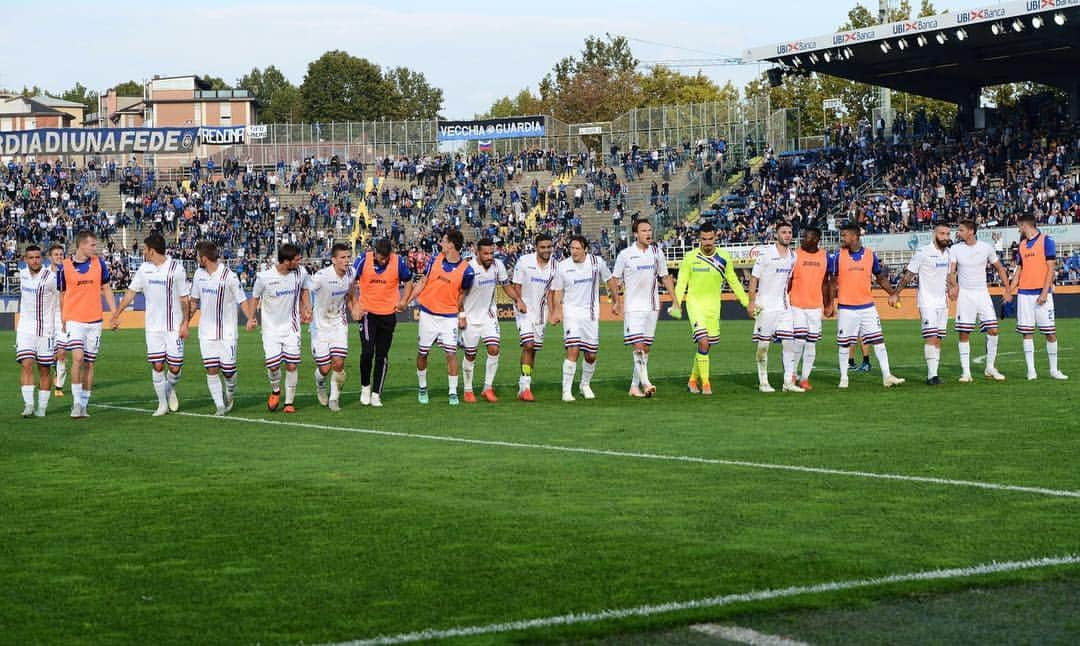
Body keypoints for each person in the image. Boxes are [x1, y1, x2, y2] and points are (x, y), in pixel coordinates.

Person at [111, 234, 191, 416]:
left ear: (152, 251)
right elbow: (131, 293)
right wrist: (116, 314)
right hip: (153, 328)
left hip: (173, 327)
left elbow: (184, 299)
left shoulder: (176, 269)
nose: (143, 252)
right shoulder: (144, 269)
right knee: (157, 366)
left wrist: (185, 323)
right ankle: (162, 404)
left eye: (145, 249)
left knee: (175, 367)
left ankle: (169, 390)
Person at [671, 222, 749, 395]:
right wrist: (676, 304)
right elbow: (682, 282)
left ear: (716, 238)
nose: (707, 242)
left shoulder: (723, 257)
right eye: (704, 239)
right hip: (694, 304)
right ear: (699, 238)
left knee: (705, 347)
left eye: (710, 239)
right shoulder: (690, 257)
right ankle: (706, 384)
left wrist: (746, 302)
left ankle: (692, 380)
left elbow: (733, 281)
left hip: (713, 307)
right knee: (703, 341)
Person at [827, 222, 905, 389]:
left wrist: (892, 292)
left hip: (867, 307)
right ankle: (843, 378)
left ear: (855, 237)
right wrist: (829, 304)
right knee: (844, 343)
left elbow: (880, 277)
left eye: (845, 235)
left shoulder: (870, 255)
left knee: (878, 341)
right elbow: (832, 283)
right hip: (847, 307)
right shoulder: (838, 256)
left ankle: (887, 376)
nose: (842, 238)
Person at [549, 235, 619, 402]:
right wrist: (556, 311)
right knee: (572, 350)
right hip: (571, 313)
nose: (574, 251)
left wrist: (616, 301)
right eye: (572, 248)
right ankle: (566, 391)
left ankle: (584, 385)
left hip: (591, 314)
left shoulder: (597, 263)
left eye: (577, 248)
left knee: (591, 355)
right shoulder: (563, 266)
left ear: (585, 249)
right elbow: (557, 291)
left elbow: (609, 280)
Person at [188, 241, 254, 415]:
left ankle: (230, 394)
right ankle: (219, 406)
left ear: (203, 258)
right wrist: (184, 323)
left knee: (229, 372)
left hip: (228, 332)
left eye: (197, 256)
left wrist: (250, 318)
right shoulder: (198, 275)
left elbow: (242, 300)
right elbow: (194, 302)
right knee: (211, 369)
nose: (196, 259)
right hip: (206, 333)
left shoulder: (229, 276)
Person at [612, 219, 676, 398]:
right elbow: (615, 280)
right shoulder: (625, 255)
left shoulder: (657, 252)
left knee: (645, 349)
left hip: (652, 307)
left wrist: (675, 300)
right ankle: (646, 382)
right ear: (635, 234)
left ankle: (634, 386)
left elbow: (665, 277)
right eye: (644, 231)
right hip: (633, 308)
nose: (648, 234)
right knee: (638, 347)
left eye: (650, 230)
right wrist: (616, 301)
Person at [410, 230, 475, 405]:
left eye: (444, 241)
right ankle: (422, 387)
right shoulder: (434, 259)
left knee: (451, 353)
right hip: (428, 314)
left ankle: (452, 392)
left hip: (448, 317)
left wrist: (460, 314)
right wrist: (407, 300)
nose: (441, 243)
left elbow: (462, 294)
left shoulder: (467, 271)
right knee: (423, 353)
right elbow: (422, 282)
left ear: (451, 245)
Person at [247, 244, 312, 413]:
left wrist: (307, 308)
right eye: (297, 259)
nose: (300, 262)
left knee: (291, 365)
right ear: (286, 261)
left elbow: (305, 290)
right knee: (273, 366)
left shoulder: (301, 273)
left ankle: (289, 403)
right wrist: (251, 317)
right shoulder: (264, 277)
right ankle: (276, 390)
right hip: (270, 329)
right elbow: (254, 297)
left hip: (292, 327)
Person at [352, 238, 415, 408]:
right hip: (368, 314)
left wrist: (404, 301)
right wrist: (355, 304)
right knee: (367, 352)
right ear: (375, 253)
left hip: (388, 314)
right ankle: (365, 387)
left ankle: (376, 393)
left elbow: (409, 281)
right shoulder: (363, 259)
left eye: (387, 257)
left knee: (382, 355)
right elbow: (350, 280)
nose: (384, 261)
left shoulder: (397, 261)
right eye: (381, 257)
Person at [57, 230, 114, 419]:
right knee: (78, 359)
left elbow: (106, 288)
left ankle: (84, 405)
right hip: (75, 319)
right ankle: (75, 403)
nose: (94, 248)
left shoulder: (99, 263)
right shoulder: (64, 267)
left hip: (95, 321)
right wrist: (63, 318)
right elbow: (62, 294)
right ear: (81, 245)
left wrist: (114, 313)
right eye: (92, 245)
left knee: (89, 363)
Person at [947, 219, 1011, 383]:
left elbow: (1000, 268)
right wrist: (953, 286)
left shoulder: (986, 248)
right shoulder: (955, 249)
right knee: (964, 333)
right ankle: (966, 372)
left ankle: (990, 367)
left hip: (982, 294)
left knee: (994, 330)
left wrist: (1008, 289)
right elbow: (951, 272)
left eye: (961, 230)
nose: (958, 232)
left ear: (971, 231)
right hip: (965, 295)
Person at [460, 238, 524, 403]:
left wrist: (518, 300)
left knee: (494, 349)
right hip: (470, 317)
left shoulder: (498, 266)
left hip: (489, 315)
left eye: (491, 253)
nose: (489, 257)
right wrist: (460, 315)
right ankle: (468, 390)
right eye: (486, 253)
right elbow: (458, 294)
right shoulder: (468, 268)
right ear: (477, 253)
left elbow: (506, 286)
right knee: (470, 355)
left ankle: (487, 387)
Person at [890, 222, 953, 385]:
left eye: (947, 234)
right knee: (931, 337)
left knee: (938, 339)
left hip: (943, 303)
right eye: (942, 234)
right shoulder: (923, 252)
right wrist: (896, 293)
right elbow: (908, 275)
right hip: (927, 302)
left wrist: (954, 286)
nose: (945, 237)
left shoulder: (948, 254)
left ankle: (935, 373)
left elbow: (949, 277)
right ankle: (932, 376)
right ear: (934, 234)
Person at [748, 221, 803, 393]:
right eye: (784, 232)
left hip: (784, 306)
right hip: (765, 306)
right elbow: (754, 279)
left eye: (789, 232)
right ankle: (763, 381)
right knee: (763, 345)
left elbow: (789, 281)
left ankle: (788, 381)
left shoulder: (793, 256)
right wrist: (751, 302)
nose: (787, 235)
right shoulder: (765, 254)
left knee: (789, 343)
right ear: (776, 234)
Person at [1012, 213, 1068, 380]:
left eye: (1019, 225)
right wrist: (1009, 289)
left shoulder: (1047, 241)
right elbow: (1019, 271)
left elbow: (1051, 269)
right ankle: (1031, 371)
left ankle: (1054, 370)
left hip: (1042, 293)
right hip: (1024, 294)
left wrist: (1045, 292)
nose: (1018, 229)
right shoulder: (1021, 245)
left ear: (1024, 225)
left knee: (1050, 332)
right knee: (1027, 332)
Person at [310, 243, 356, 412]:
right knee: (324, 368)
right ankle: (320, 383)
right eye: (343, 258)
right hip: (320, 326)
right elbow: (306, 290)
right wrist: (305, 309)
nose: (346, 261)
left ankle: (334, 399)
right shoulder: (321, 276)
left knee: (338, 363)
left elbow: (351, 290)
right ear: (334, 260)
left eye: (348, 257)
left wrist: (354, 307)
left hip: (338, 323)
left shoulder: (351, 273)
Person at [511, 233, 556, 401]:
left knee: (533, 349)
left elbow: (552, 293)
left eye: (549, 247)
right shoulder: (524, 261)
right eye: (543, 247)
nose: (546, 250)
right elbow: (516, 285)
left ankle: (524, 385)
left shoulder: (554, 266)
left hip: (541, 314)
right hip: (524, 311)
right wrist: (519, 302)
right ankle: (526, 387)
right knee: (528, 344)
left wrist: (553, 312)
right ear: (536, 247)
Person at [16, 246, 60, 417]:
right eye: (31, 257)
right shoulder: (22, 274)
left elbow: (60, 300)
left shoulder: (51, 278)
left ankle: (42, 408)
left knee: (44, 369)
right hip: (25, 328)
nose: (34, 260)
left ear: (42, 259)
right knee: (26, 364)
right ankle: (28, 405)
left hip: (46, 330)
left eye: (37, 257)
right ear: (25, 259)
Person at [788, 226, 829, 390]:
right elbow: (788, 280)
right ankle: (792, 374)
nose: (804, 239)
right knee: (798, 340)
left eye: (807, 237)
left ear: (816, 240)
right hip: (796, 304)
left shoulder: (824, 256)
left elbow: (826, 282)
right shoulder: (795, 255)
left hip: (814, 306)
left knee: (811, 343)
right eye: (803, 237)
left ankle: (804, 378)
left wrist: (828, 304)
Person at [47, 244, 68, 398]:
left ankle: (59, 385)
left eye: (61, 254)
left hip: (63, 317)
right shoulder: (44, 274)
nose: (59, 257)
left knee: (62, 353)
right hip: (47, 319)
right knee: (48, 354)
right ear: (50, 257)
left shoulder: (69, 272)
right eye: (56, 254)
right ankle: (52, 371)